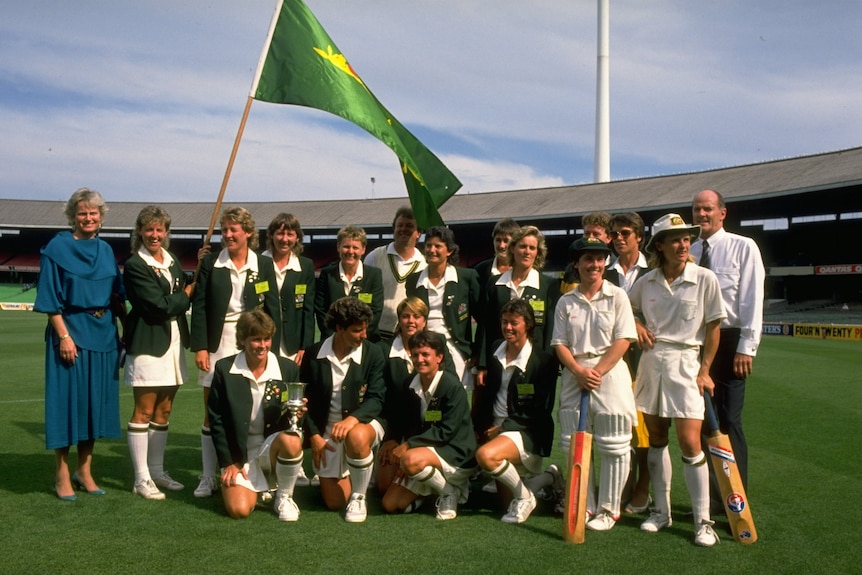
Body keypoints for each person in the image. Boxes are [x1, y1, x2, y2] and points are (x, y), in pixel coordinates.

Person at [628, 213, 726, 547]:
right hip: (652, 363)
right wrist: (637, 324)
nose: (683, 245)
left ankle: (703, 521)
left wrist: (705, 370)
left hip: (687, 362)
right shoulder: (646, 281)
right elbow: (627, 310)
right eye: (675, 239)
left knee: (689, 442)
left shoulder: (705, 279)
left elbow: (713, 329)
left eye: (687, 239)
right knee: (656, 437)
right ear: (660, 245)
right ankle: (661, 511)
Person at [34, 188, 125, 500]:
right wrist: (64, 337)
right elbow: (49, 300)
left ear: (101, 217)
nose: (88, 217)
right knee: (66, 405)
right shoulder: (57, 248)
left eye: (94, 212)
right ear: (72, 216)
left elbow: (119, 295)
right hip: (69, 335)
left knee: (94, 406)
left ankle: (84, 470)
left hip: (103, 335)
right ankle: (62, 474)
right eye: (82, 213)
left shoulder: (106, 250)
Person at [190, 207, 281, 498]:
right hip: (221, 340)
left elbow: (272, 307)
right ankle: (208, 476)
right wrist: (201, 346)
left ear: (248, 233)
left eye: (233, 230)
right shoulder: (211, 263)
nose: (228, 235)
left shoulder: (263, 265)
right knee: (211, 413)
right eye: (224, 230)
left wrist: (273, 350)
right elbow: (201, 307)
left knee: (261, 410)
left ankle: (263, 476)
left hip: (255, 340)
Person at [551, 237, 638, 531]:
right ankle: (583, 503)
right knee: (573, 441)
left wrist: (597, 371)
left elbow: (624, 339)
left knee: (613, 443)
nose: (595, 265)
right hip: (576, 372)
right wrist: (578, 371)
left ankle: (609, 509)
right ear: (577, 264)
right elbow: (560, 343)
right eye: (589, 259)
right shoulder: (566, 300)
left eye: (600, 259)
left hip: (609, 372)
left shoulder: (617, 296)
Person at [690, 189, 765, 509]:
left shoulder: (742, 246)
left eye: (707, 209)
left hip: (731, 340)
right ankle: (713, 496)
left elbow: (751, 298)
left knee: (729, 420)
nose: (701, 215)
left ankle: (736, 496)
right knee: (705, 421)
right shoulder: (688, 249)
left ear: (723, 212)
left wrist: (747, 347)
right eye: (696, 210)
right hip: (697, 343)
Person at [122, 206, 193, 500]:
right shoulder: (136, 264)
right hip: (148, 343)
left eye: (159, 230)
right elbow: (159, 306)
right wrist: (186, 295)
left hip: (174, 343)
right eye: (149, 230)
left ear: (166, 232)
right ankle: (141, 478)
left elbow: (171, 299)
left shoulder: (172, 259)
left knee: (164, 411)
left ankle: (157, 470)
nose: (154, 235)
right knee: (144, 410)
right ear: (140, 231)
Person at [207, 310, 304, 520]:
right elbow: (216, 420)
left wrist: (300, 413)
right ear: (242, 340)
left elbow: (292, 418)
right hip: (241, 456)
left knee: (292, 441)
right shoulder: (224, 369)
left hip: (272, 449)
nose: (262, 345)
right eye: (256, 340)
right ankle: (258, 488)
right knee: (238, 510)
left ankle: (284, 496)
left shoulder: (287, 369)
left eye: (267, 339)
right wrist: (229, 462)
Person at [473, 299, 560, 524]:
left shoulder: (544, 361)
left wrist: (504, 428)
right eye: (504, 322)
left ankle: (525, 498)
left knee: (486, 456)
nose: (508, 328)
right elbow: (486, 395)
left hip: (527, 432)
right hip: (496, 431)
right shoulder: (495, 350)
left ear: (528, 325)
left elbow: (541, 410)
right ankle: (550, 477)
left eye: (514, 323)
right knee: (504, 502)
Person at [300, 297, 386, 523]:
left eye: (365, 329)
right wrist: (315, 437)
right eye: (357, 331)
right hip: (327, 435)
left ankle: (360, 495)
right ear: (339, 328)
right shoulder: (313, 354)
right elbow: (302, 401)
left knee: (356, 437)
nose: (364, 335)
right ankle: (354, 470)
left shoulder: (373, 353)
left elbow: (377, 399)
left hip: (363, 425)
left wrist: (353, 420)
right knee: (335, 502)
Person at [380, 331, 476, 520]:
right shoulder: (410, 384)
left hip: (456, 453)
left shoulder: (452, 386)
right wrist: (392, 440)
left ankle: (450, 492)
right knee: (390, 504)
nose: (420, 359)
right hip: (425, 452)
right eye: (415, 355)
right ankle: (434, 491)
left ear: (439, 357)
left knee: (409, 460)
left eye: (426, 354)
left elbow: (447, 431)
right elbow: (405, 421)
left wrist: (409, 446)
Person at [376, 297, 457, 494]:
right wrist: (391, 438)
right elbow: (382, 400)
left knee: (411, 468)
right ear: (399, 320)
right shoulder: (383, 350)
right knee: (383, 487)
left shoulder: (439, 345)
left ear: (425, 320)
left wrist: (412, 444)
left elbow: (451, 384)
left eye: (417, 316)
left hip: (431, 428)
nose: (411, 321)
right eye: (405, 316)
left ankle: (444, 487)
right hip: (397, 428)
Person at [606, 212, 652, 514]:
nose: (619, 238)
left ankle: (643, 490)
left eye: (626, 233)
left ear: (639, 236)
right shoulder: (605, 272)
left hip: (648, 359)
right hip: (614, 361)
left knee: (646, 432)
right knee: (620, 428)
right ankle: (622, 486)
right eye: (615, 234)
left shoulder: (655, 270)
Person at [477, 225, 558, 386]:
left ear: (538, 252)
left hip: (536, 363)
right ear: (512, 248)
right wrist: (482, 364)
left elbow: (551, 330)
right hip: (499, 360)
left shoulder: (549, 285)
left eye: (532, 248)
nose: (527, 251)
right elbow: (485, 326)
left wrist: (549, 363)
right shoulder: (495, 283)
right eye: (522, 246)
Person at [405, 226, 481, 389]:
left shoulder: (467, 278)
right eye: (429, 245)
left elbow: (482, 320)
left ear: (449, 251)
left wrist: (476, 353)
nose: (432, 250)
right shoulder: (413, 281)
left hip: (455, 350)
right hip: (423, 348)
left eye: (438, 246)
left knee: (453, 396)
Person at [364, 206, 426, 339]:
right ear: (394, 229)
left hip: (408, 335)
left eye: (409, 226)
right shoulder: (375, 256)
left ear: (418, 232)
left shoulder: (424, 264)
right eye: (400, 225)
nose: (403, 229)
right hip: (376, 333)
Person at [262, 213, 315, 365]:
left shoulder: (305, 266)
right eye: (280, 233)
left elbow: (308, 311)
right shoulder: (258, 263)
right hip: (263, 341)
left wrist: (305, 347)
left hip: (294, 346)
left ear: (297, 237)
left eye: (290, 234)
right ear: (271, 235)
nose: (284, 239)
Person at [315, 225, 384, 342]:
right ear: (338, 247)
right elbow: (321, 310)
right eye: (346, 246)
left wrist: (358, 335)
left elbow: (375, 311)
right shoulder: (327, 274)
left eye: (355, 247)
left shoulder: (374, 275)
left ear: (363, 250)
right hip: (333, 341)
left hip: (365, 340)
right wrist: (337, 339)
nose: (350, 251)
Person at [560, 211, 613, 295]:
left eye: (596, 234)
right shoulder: (572, 270)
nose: (590, 238)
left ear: (609, 238)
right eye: (587, 233)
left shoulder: (617, 268)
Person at [473, 217, 520, 290]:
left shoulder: (524, 269)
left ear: (515, 243)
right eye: (498, 240)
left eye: (506, 241)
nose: (501, 246)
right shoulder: (480, 270)